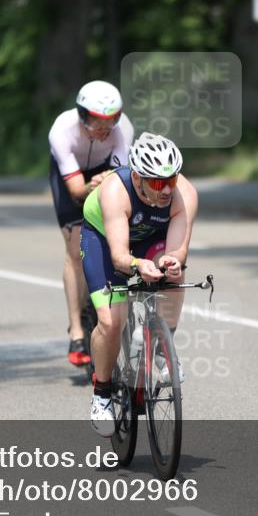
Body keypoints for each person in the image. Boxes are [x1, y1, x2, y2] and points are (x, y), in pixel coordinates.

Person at [80, 133, 198, 437]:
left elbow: (177, 250)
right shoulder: (115, 192)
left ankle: (161, 345)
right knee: (111, 321)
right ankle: (102, 394)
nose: (167, 189)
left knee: (175, 273)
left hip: (151, 238)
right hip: (105, 239)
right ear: (137, 178)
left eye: (171, 180)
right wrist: (137, 265)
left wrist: (170, 262)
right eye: (157, 183)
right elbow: (120, 256)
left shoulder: (184, 193)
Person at [49, 80, 134, 368]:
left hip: (105, 170)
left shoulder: (123, 131)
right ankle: (76, 329)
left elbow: (123, 180)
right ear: (83, 116)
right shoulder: (62, 131)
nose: (105, 127)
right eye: (98, 121)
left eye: (112, 120)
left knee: (117, 230)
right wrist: (92, 185)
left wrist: (108, 183)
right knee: (75, 249)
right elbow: (75, 191)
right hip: (74, 178)